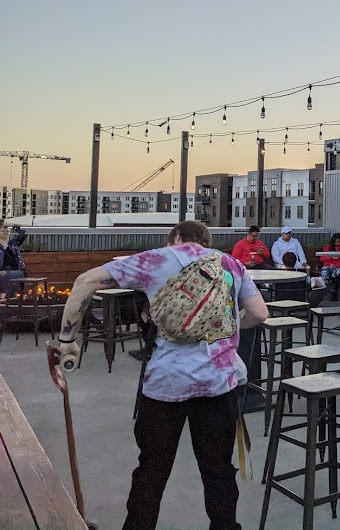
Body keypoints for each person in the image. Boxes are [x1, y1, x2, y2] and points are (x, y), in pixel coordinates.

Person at [57, 220, 269, 530]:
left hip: (165, 385)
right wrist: (227, 328)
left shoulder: (156, 259)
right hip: (218, 385)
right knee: (219, 472)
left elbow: (85, 281)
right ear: (206, 242)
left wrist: (67, 340)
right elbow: (260, 313)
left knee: (151, 471)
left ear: (176, 238)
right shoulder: (230, 264)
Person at [0, 222, 27, 298]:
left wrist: (15, 226)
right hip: (2, 271)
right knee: (4, 275)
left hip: (18, 271)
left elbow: (23, 234)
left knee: (8, 275)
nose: (5, 232)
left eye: (7, 231)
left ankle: (3, 295)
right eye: (3, 231)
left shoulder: (14, 243)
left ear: (10, 233)